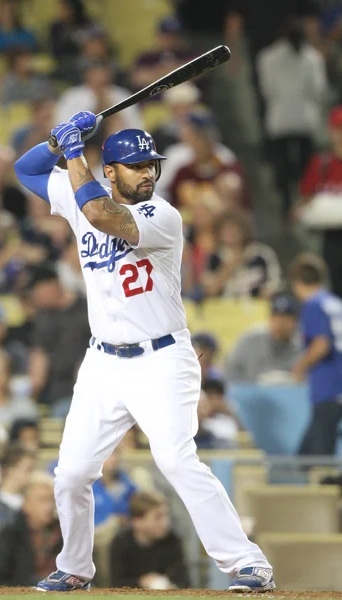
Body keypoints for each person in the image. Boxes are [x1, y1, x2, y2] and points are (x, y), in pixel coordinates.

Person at [14, 112, 275, 592]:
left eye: (150, 164)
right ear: (110, 172)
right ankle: (74, 568)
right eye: (135, 166)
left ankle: (246, 563)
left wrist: (74, 152)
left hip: (162, 358)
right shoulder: (80, 196)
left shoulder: (162, 214)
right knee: (70, 473)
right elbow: (25, 171)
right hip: (103, 362)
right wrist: (56, 139)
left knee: (176, 460)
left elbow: (99, 214)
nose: (148, 173)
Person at [257, 15, 327, 216]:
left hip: (280, 120)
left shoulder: (267, 57)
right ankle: (299, 204)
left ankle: (288, 205)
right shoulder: (313, 57)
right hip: (305, 120)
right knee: (302, 166)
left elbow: (267, 90)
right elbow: (319, 90)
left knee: (285, 167)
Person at [290, 253, 342, 455]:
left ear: (296, 282)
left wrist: (300, 366)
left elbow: (321, 344)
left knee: (319, 460)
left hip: (328, 388)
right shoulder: (334, 303)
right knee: (306, 455)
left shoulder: (313, 304)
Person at [28, 264, 91, 417]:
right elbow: (39, 360)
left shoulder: (86, 309)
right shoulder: (43, 318)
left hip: (87, 388)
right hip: (54, 394)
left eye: (38, 291)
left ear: (52, 285)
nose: (35, 297)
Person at [296, 106, 342, 299]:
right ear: (331, 132)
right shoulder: (322, 163)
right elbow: (304, 200)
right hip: (330, 236)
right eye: (338, 129)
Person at [0, 473, 62, 586]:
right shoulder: (9, 535)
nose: (50, 506)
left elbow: (86, 577)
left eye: (52, 500)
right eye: (42, 500)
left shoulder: (66, 533)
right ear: (26, 503)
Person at [109, 491, 189, 589]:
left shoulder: (173, 540)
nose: (165, 522)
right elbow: (116, 583)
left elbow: (183, 581)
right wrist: (141, 582)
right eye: (158, 517)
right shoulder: (120, 542)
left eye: (166, 516)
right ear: (137, 521)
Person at [201, 211, 282, 298]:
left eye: (234, 228)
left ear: (243, 230)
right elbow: (210, 291)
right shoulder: (214, 258)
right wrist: (230, 266)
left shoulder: (262, 253)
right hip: (224, 307)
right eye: (225, 229)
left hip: (257, 306)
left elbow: (275, 284)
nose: (230, 233)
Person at [226, 292, 301, 384]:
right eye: (276, 317)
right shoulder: (250, 340)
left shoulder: (303, 346)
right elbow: (231, 370)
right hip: (251, 396)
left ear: (295, 322)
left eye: (286, 319)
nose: (280, 324)